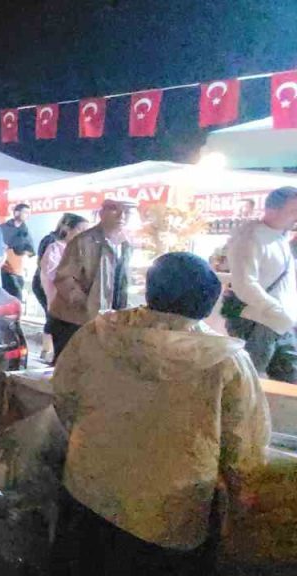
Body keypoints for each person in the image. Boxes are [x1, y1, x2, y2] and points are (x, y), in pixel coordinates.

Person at [50, 252, 270, 575]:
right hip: (170, 513)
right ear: (207, 302)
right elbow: (244, 446)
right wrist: (240, 500)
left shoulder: (99, 334)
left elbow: (64, 396)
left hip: (90, 491)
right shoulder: (225, 360)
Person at [225, 186, 297, 383]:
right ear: (272, 209)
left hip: (280, 322)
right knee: (251, 381)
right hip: (257, 321)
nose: (295, 217)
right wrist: (276, 310)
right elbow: (245, 284)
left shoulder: (280, 237)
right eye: (292, 211)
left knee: (288, 379)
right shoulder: (249, 237)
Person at [48, 199, 135, 354]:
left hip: (107, 321)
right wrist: (86, 304)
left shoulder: (126, 244)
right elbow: (64, 279)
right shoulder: (83, 241)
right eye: (115, 210)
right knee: (69, 369)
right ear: (101, 214)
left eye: (127, 212)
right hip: (73, 320)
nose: (122, 216)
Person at [37, 213, 88, 364]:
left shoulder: (84, 251)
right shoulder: (55, 248)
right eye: (80, 229)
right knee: (63, 351)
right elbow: (54, 275)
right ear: (68, 229)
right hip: (62, 308)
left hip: (79, 309)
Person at [0, 203, 36, 300]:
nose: (28, 215)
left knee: (16, 298)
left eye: (29, 213)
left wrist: (24, 252)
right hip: (2, 268)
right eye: (25, 212)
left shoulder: (25, 230)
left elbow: (31, 250)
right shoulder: (3, 228)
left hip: (18, 270)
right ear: (16, 213)